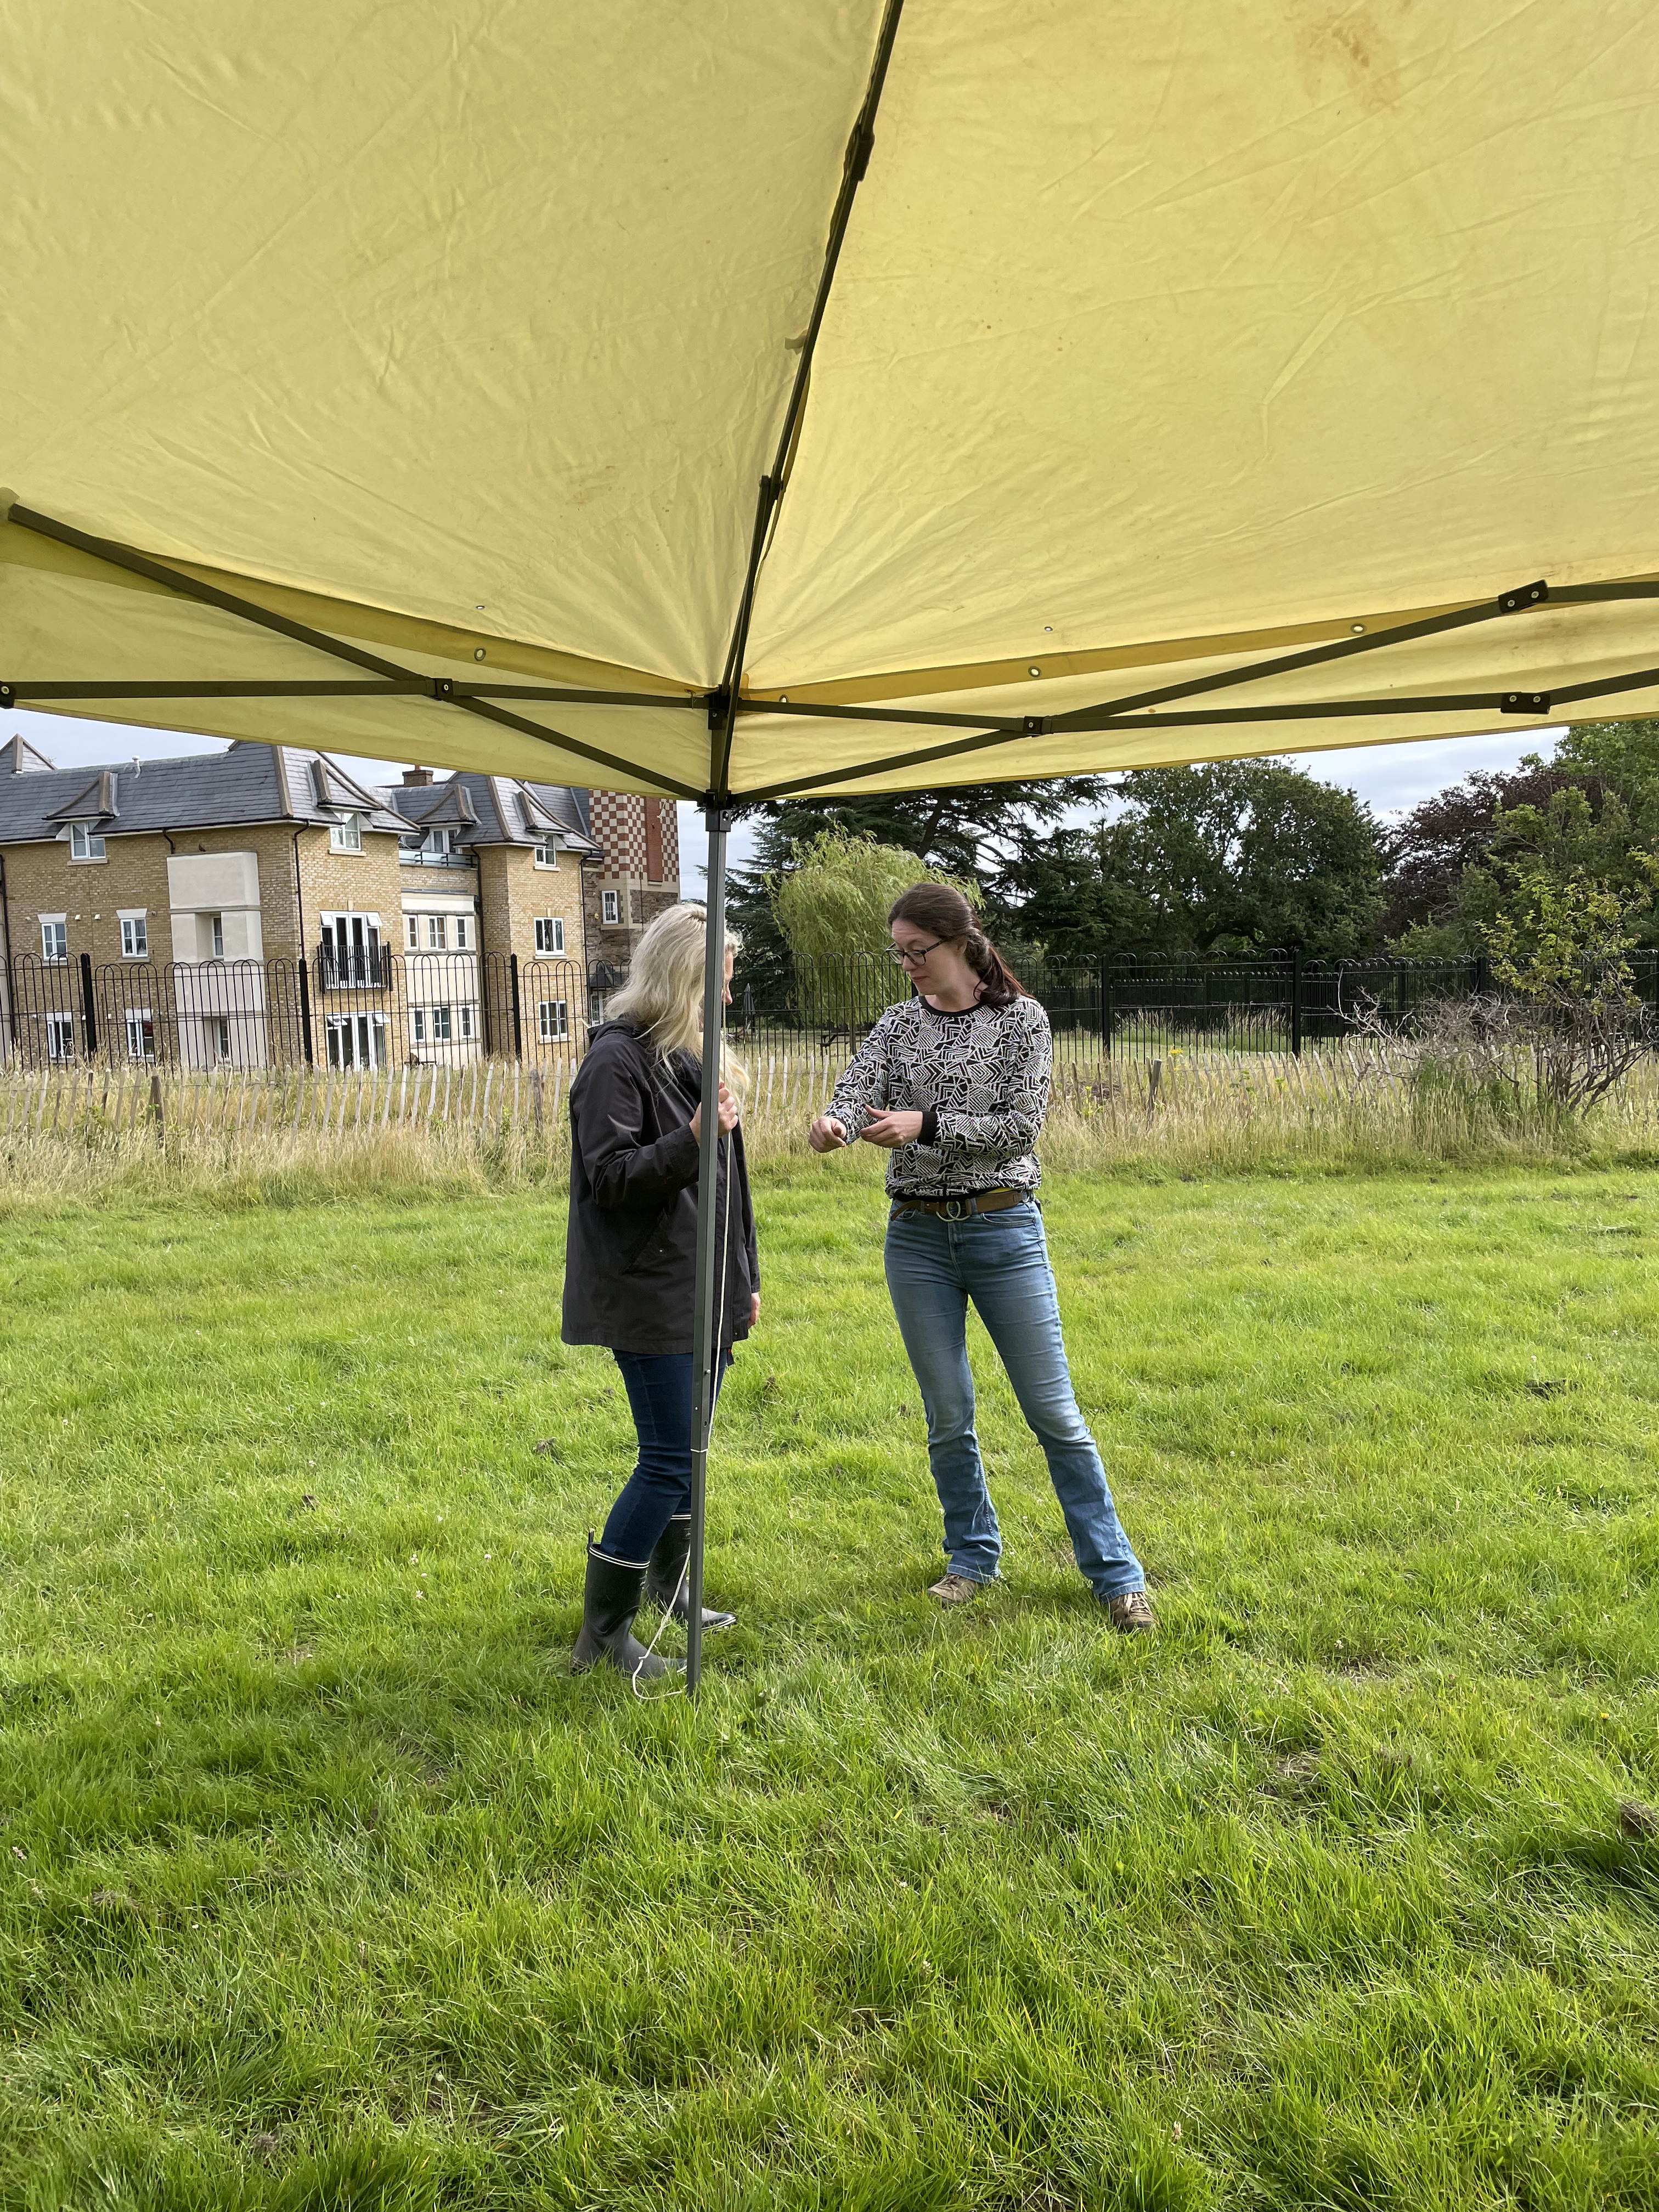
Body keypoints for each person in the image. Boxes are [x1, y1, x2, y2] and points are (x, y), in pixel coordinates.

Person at [809, 884, 1153, 1630]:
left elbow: (1021, 1126)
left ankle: (1117, 1575)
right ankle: (970, 1557)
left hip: (1004, 1233)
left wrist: (924, 1125)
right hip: (918, 1240)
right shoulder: (898, 1024)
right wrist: (833, 1124)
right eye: (898, 953)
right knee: (948, 1414)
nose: (907, 965)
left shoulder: (1021, 1021)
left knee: (1053, 1413)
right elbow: (855, 1086)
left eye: (917, 951)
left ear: (961, 941)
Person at [563, 902, 759, 1678]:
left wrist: (744, 1281)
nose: (731, 1001)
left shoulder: (689, 1056)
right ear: (686, 979)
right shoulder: (617, 1061)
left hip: (703, 1289)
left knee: (690, 1456)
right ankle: (603, 1637)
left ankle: (671, 1587)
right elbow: (609, 1180)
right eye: (722, 984)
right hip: (650, 1294)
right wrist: (691, 1135)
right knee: (669, 1460)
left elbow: (729, 1191)